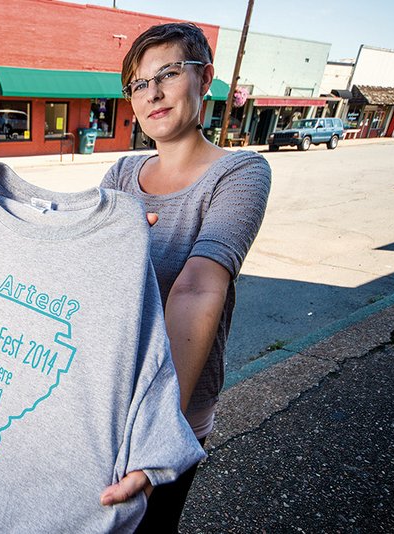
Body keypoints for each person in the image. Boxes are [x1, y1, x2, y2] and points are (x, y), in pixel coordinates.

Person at [98, 23, 272, 531]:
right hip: (106, 401)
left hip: (174, 410)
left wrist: (156, 435)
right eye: (138, 83)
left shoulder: (238, 173)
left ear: (206, 79)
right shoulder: (120, 176)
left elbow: (198, 286)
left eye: (168, 74)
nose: (152, 93)